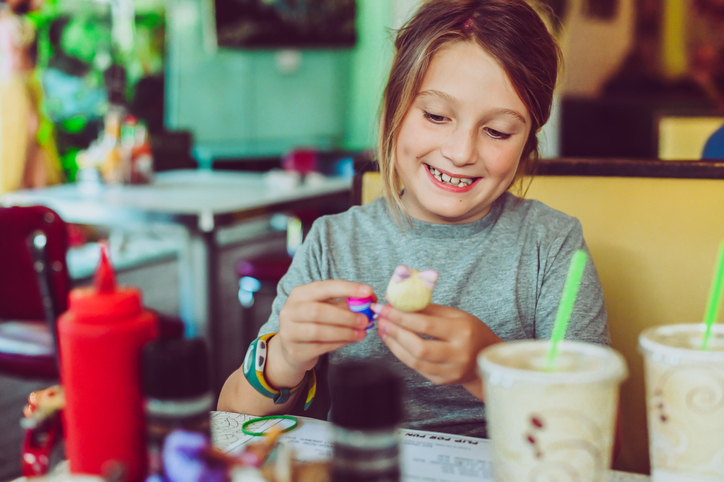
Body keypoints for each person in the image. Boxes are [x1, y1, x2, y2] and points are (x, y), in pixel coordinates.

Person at [218, 0, 609, 438]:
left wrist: (487, 371)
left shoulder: (552, 247)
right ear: (394, 112)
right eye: (436, 116)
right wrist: (285, 358)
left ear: (527, 143)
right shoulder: (333, 242)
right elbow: (232, 424)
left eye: (497, 131)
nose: (461, 152)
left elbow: (592, 433)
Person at [0, 0, 62, 197]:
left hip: (26, 84)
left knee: (34, 135)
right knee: (21, 132)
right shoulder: (7, 21)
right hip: (12, 85)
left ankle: (33, 184)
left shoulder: (23, 20)